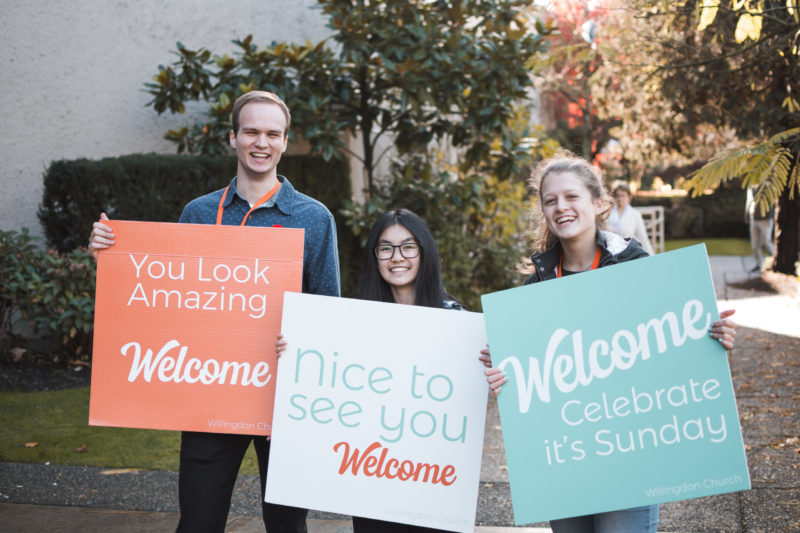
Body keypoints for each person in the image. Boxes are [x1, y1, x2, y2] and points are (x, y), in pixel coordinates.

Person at [89, 90, 340, 533]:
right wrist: (111, 256)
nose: (261, 142)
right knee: (199, 522)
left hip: (283, 399)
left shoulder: (314, 217)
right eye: (251, 132)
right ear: (233, 138)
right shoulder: (200, 212)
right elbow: (165, 296)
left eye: (272, 134)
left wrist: (303, 345)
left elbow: (328, 311)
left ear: (284, 142)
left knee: (286, 525)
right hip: (212, 392)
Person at [480, 152, 737, 533]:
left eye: (571, 197)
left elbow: (674, 344)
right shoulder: (535, 287)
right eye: (550, 200)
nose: (560, 207)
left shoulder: (636, 267)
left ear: (600, 204)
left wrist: (713, 337)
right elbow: (528, 376)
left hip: (628, 453)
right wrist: (502, 370)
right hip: (565, 457)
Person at [277, 208, 461, 532]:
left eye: (408, 246)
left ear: (424, 253)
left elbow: (465, 397)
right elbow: (324, 382)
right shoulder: (354, 323)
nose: (397, 257)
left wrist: (490, 373)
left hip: (430, 478)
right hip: (373, 475)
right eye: (385, 248)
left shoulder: (455, 319)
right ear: (375, 257)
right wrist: (292, 357)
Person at [608, 181, 654, 255]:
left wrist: (651, 256)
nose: (620, 198)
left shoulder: (635, 215)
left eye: (623, 196)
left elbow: (643, 237)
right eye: (617, 196)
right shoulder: (608, 213)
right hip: (611, 254)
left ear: (629, 197)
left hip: (628, 254)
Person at [745, 185, 775, 272]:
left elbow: (772, 201)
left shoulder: (768, 183)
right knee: (755, 244)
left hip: (765, 219)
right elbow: (749, 200)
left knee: (766, 241)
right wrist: (746, 215)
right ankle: (759, 264)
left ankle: (773, 259)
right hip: (753, 218)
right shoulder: (751, 185)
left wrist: (771, 217)